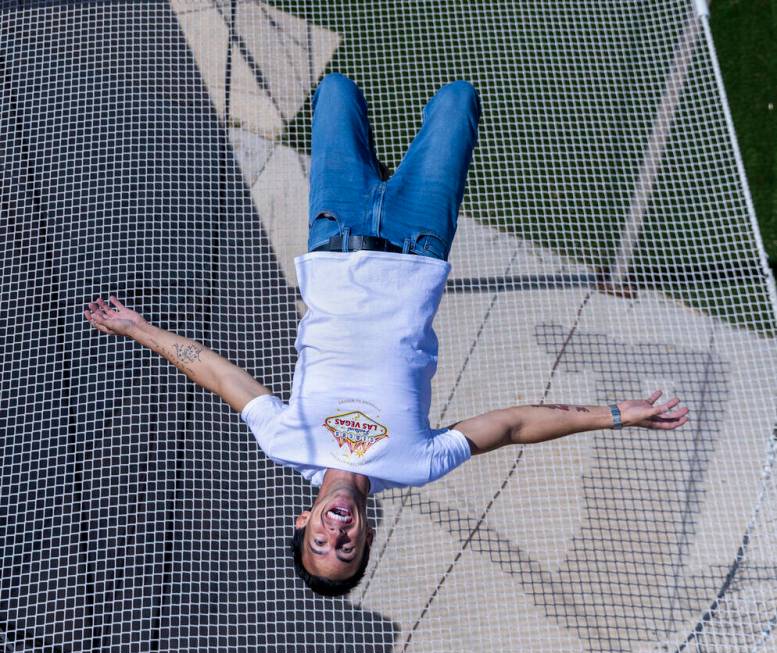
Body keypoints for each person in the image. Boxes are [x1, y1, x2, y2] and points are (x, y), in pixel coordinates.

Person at [84, 73, 689, 597]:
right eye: (346, 548)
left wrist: (141, 330)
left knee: (336, 92)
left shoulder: (287, 443)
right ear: (368, 535)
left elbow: (217, 375)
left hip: (335, 232)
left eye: (320, 540)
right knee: (457, 101)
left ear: (303, 521)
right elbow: (512, 427)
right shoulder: (416, 464)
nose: (336, 533)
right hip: (419, 242)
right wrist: (614, 414)